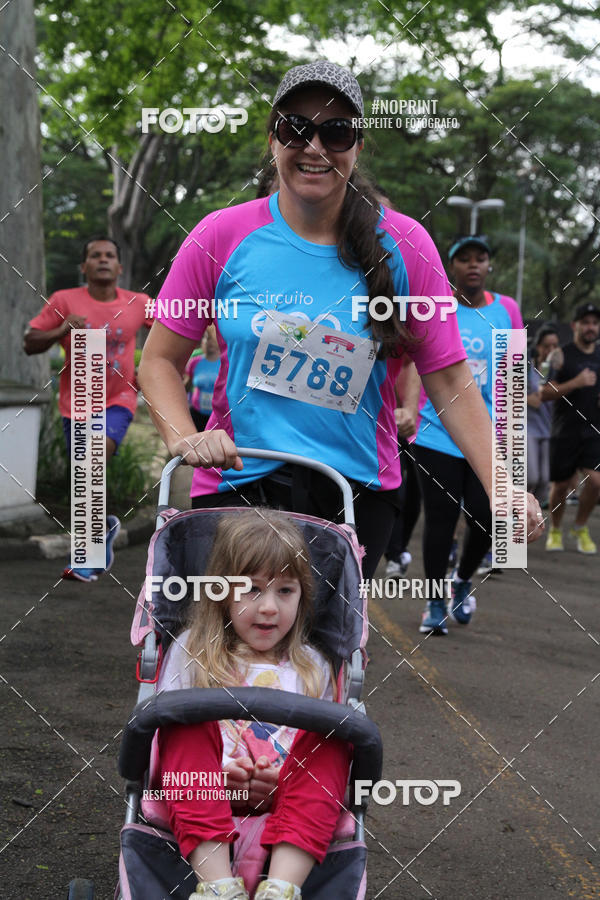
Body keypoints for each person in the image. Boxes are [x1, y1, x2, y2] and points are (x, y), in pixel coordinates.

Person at [138, 61, 543, 582]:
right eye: (296, 128)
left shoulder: (407, 246)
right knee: (228, 653)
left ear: (358, 146)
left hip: (356, 495)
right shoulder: (218, 235)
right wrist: (183, 436)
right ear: (273, 139)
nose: (315, 147)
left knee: (326, 657)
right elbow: (160, 362)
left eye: (336, 132)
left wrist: (502, 485)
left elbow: (448, 379)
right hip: (238, 480)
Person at [156, 510, 351, 900]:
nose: (268, 607)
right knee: (179, 718)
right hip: (203, 789)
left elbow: (319, 769)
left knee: (334, 735)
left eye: (285, 591)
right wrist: (220, 771)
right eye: (251, 589)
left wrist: (281, 779)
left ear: (303, 595)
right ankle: (218, 887)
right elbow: (160, 745)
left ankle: (281, 889)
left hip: (289, 796)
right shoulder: (193, 651)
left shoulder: (312, 665)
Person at [24, 236, 152, 581]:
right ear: (84, 267)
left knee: (93, 456)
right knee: (85, 473)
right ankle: (101, 535)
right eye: (94, 255)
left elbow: (175, 332)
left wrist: (154, 369)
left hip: (119, 401)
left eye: (109, 255)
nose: (102, 260)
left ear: (119, 267)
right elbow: (29, 342)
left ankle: (89, 554)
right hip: (76, 403)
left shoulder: (139, 302)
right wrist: (61, 329)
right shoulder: (64, 300)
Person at [414, 235, 525, 634]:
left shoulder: (506, 310)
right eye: (465, 259)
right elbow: (418, 363)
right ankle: (433, 602)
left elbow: (514, 374)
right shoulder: (437, 307)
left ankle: (461, 580)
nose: (473, 265)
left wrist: (513, 434)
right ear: (452, 266)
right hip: (436, 433)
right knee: (440, 520)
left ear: (489, 266)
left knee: (485, 514)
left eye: (481, 258)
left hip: (488, 436)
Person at [541, 303, 600, 554]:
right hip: (565, 429)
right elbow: (545, 393)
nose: (591, 327)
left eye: (595, 323)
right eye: (585, 322)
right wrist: (576, 382)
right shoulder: (561, 354)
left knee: (597, 482)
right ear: (575, 325)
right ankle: (555, 529)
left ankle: (579, 526)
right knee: (561, 486)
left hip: (593, 431)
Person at [384, 360, 422, 578]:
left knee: (415, 496)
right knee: (395, 489)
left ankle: (400, 548)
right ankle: (395, 555)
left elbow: (411, 362)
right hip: (388, 420)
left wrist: (410, 408)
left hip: (425, 426)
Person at [527, 324, 560, 506]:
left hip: (547, 429)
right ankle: (514, 515)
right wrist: (525, 399)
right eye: (547, 345)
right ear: (538, 346)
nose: (551, 350)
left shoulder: (556, 370)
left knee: (544, 481)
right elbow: (504, 390)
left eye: (555, 346)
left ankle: (531, 524)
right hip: (527, 429)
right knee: (530, 477)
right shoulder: (525, 366)